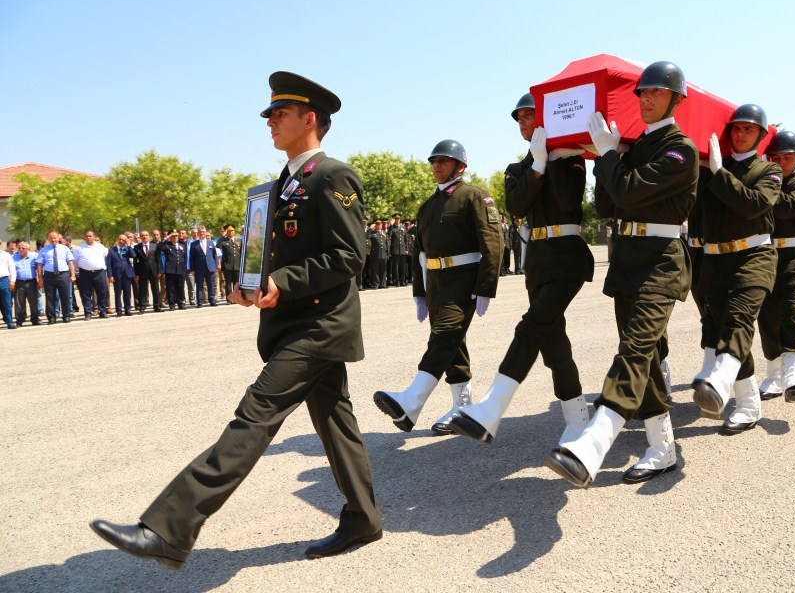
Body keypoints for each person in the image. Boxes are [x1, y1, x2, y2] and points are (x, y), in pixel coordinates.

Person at [91, 71, 380, 568]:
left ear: (310, 119)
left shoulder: (333, 176)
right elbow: (274, 252)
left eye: (280, 114)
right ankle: (364, 518)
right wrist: (251, 282)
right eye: (269, 114)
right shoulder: (280, 186)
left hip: (318, 325)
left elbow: (349, 256)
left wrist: (281, 283)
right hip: (288, 323)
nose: (270, 122)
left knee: (254, 417)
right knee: (336, 424)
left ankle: (168, 527)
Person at [543, 61, 699, 487]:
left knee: (634, 348)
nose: (646, 99)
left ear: (675, 99)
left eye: (656, 93)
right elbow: (609, 206)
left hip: (662, 261)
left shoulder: (679, 149)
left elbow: (629, 190)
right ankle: (663, 448)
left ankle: (595, 441)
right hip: (629, 257)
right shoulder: (636, 147)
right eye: (642, 93)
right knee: (644, 359)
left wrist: (611, 156)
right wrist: (604, 157)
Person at [449, 92, 595, 447]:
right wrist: (537, 166)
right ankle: (578, 420)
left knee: (532, 326)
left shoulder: (572, 159)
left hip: (568, 256)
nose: (523, 122)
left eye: (529, 115)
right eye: (519, 118)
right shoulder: (517, 169)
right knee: (552, 340)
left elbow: (565, 202)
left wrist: (553, 160)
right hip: (539, 261)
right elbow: (516, 204)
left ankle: (492, 407)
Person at [373, 140, 502, 435]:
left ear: (461, 166)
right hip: (436, 285)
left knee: (444, 337)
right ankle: (464, 408)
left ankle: (411, 402)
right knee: (453, 346)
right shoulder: (428, 205)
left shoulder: (474, 197)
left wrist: (485, 286)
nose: (437, 166)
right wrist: (419, 292)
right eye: (434, 161)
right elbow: (421, 253)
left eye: (444, 160)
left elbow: (493, 243)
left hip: (464, 283)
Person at [691, 103, 782, 435]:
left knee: (738, 321)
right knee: (719, 330)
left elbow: (753, 204)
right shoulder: (713, 167)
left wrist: (717, 172)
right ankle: (746, 401)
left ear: (761, 135)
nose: (741, 134)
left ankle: (725, 387)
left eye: (749, 129)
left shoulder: (768, 171)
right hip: (714, 260)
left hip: (753, 257)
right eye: (736, 128)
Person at [756, 131, 795, 402]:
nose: (781, 163)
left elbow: (787, 207)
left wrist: (759, 195)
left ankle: (794, 378)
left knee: (793, 313)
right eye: (776, 157)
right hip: (766, 257)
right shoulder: (765, 181)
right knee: (767, 319)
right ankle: (773, 376)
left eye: (787, 157)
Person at [36, 231, 76, 324]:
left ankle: (66, 316)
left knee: (65, 296)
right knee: (50, 298)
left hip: (63, 274)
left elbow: (70, 262)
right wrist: (40, 279)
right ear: (48, 239)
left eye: (55, 238)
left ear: (58, 238)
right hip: (49, 275)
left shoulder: (65, 249)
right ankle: (51, 317)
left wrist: (73, 275)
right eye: (51, 238)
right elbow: (39, 265)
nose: (53, 239)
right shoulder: (43, 250)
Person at [74, 230, 111, 320]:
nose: (88, 237)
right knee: (86, 294)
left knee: (102, 292)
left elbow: (105, 258)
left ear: (94, 237)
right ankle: (88, 313)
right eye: (86, 236)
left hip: (99, 273)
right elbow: (75, 261)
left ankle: (102, 311)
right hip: (85, 273)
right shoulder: (80, 248)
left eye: (90, 236)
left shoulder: (100, 247)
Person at [106, 234, 136, 317]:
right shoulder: (112, 250)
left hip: (127, 274)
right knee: (117, 293)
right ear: (117, 239)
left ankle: (127, 309)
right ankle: (119, 310)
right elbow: (108, 264)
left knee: (127, 293)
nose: (121, 241)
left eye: (123, 240)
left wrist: (129, 245)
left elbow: (134, 255)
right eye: (120, 239)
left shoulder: (127, 249)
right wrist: (110, 275)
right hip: (117, 275)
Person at [189, 226, 220, 307]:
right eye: (200, 232)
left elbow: (214, 255)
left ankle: (212, 300)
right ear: (198, 233)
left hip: (210, 267)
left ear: (206, 233)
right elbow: (191, 258)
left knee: (211, 284)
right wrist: (192, 269)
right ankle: (199, 301)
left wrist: (216, 266)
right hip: (198, 268)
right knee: (199, 286)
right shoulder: (193, 244)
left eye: (203, 232)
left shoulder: (211, 243)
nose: (202, 233)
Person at [12, 240, 40, 326]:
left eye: (23, 248)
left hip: (31, 282)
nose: (20, 249)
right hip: (19, 282)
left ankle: (35, 319)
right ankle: (19, 320)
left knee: (33, 302)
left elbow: (39, 268)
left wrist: (39, 278)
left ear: (28, 249)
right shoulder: (13, 257)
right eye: (19, 248)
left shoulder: (34, 256)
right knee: (19, 302)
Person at [133, 230, 162, 313]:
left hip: (153, 270)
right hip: (142, 271)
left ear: (149, 236)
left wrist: (159, 271)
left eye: (146, 235)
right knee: (143, 289)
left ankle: (157, 306)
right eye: (142, 235)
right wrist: (137, 273)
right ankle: (142, 306)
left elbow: (158, 259)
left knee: (155, 288)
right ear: (140, 237)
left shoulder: (154, 246)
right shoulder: (137, 247)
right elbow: (136, 262)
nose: (144, 237)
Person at [159, 231, 187, 309]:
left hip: (180, 270)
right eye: (173, 237)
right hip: (170, 270)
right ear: (170, 238)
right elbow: (159, 247)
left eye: (176, 236)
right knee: (170, 288)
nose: (175, 238)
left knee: (180, 287)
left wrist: (184, 268)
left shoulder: (182, 246)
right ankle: (172, 304)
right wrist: (166, 238)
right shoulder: (167, 246)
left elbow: (185, 258)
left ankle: (181, 303)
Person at [217, 224, 242, 300]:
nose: (231, 232)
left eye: (232, 231)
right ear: (226, 232)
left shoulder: (238, 240)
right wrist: (222, 236)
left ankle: (236, 298)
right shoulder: (224, 241)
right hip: (228, 265)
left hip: (237, 265)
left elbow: (241, 252)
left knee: (236, 283)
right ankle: (229, 299)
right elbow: (218, 246)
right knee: (228, 283)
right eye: (229, 231)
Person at [0, 242, 15, 329]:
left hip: (4, 280)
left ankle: (10, 322)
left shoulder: (6, 255)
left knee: (7, 303)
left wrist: (12, 280)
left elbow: (12, 268)